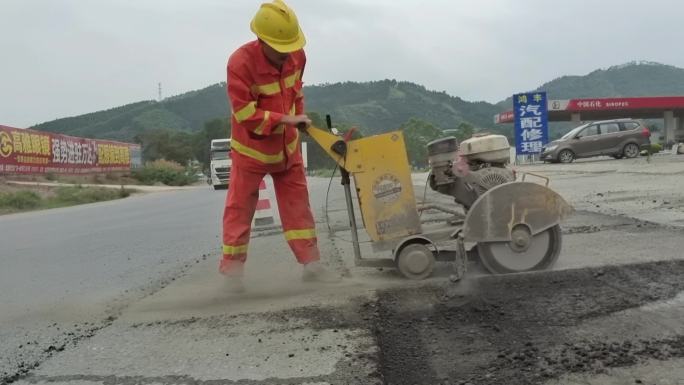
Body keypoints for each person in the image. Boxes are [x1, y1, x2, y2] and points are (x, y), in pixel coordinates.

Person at [221, 0, 341, 291]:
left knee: (298, 208)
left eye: (290, 46)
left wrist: (301, 120)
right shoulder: (240, 63)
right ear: (262, 40)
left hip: (288, 151)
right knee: (239, 210)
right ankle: (232, 275)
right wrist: (288, 119)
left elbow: (296, 93)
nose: (286, 53)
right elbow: (245, 115)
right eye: (279, 47)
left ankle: (311, 265)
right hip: (252, 151)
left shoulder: (297, 56)